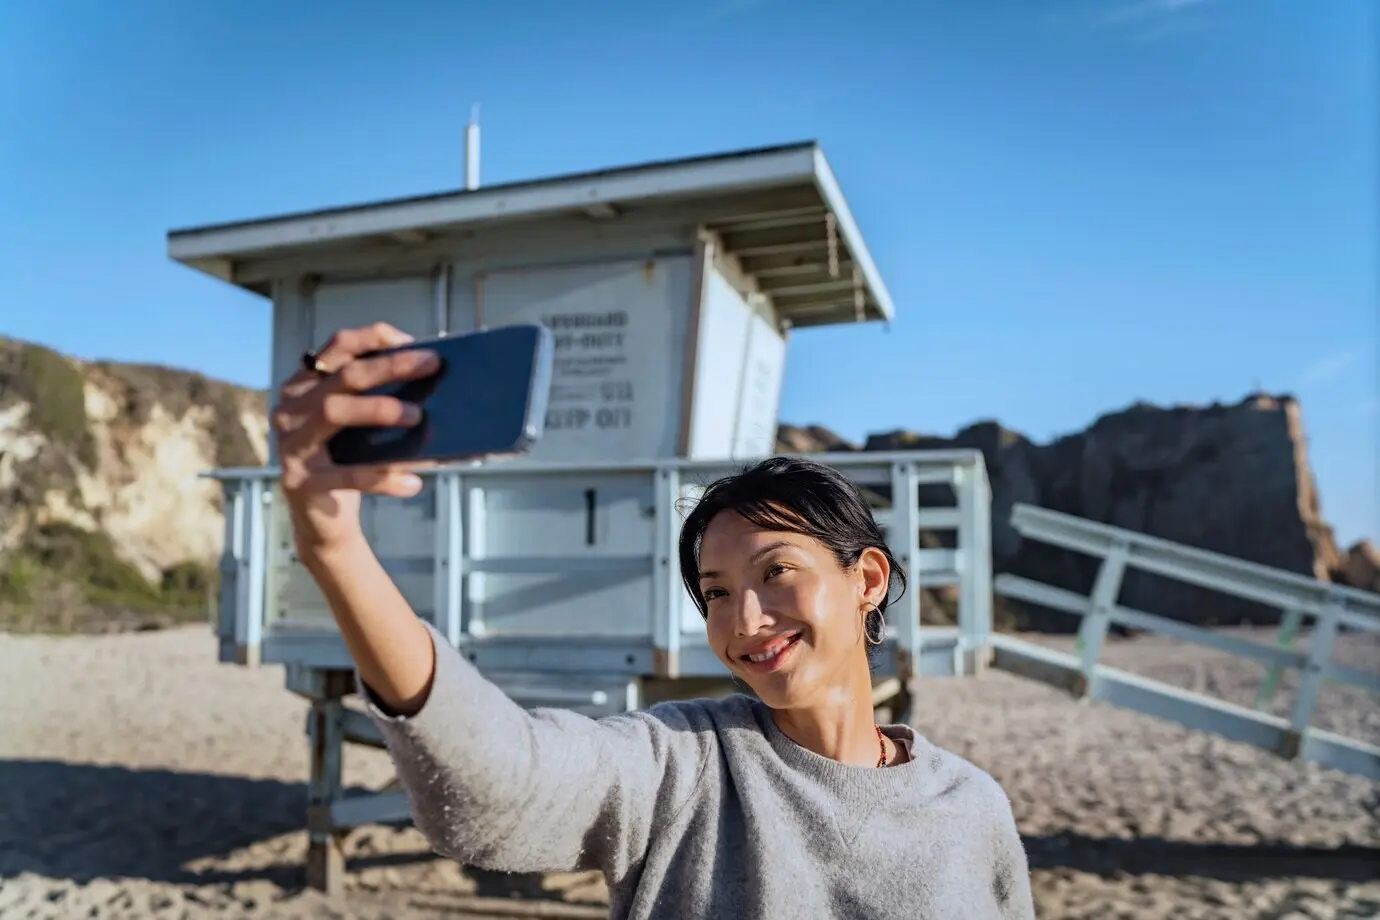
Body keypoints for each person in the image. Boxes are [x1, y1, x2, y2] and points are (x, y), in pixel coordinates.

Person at [273, 321, 1036, 920]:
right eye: (716, 593)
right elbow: (495, 786)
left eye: (776, 573)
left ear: (867, 579)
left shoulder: (971, 808)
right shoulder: (681, 766)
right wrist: (335, 545)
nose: (747, 617)